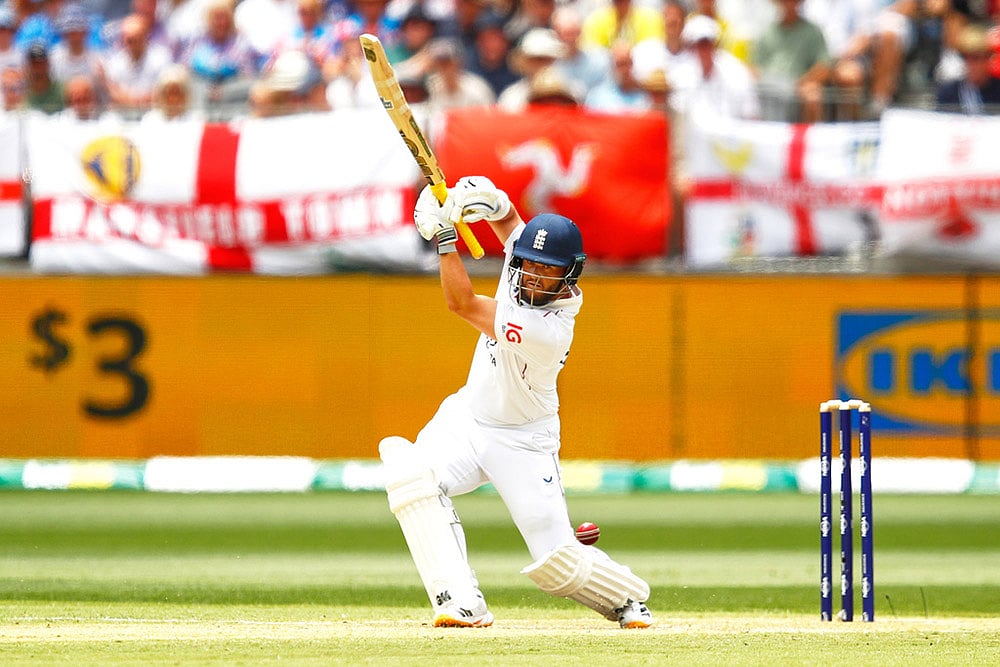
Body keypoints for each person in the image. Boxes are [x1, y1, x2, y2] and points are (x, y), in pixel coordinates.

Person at [379, 175, 655, 630]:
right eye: (527, 263)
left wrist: (445, 238)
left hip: (524, 440)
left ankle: (628, 597)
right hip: (467, 420)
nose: (530, 275)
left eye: (546, 269)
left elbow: (462, 303)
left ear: (569, 274)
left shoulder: (550, 330)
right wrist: (488, 200)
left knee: (555, 563)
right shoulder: (524, 261)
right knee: (413, 478)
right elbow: (509, 223)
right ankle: (461, 602)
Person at [936, 22, 1000, 113]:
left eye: (976, 57)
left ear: (988, 58)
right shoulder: (950, 93)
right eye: (965, 57)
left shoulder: (998, 90)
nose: (970, 63)